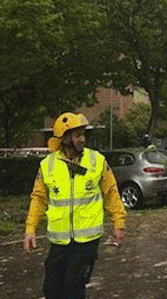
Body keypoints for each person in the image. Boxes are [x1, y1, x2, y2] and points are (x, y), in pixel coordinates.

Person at [23, 112, 126, 299]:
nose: (82, 139)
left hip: (86, 241)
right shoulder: (47, 165)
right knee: (52, 290)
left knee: (73, 287)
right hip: (59, 241)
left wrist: (118, 224)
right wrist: (30, 228)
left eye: (83, 134)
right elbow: (38, 198)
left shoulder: (97, 161)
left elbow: (111, 193)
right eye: (77, 135)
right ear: (64, 138)